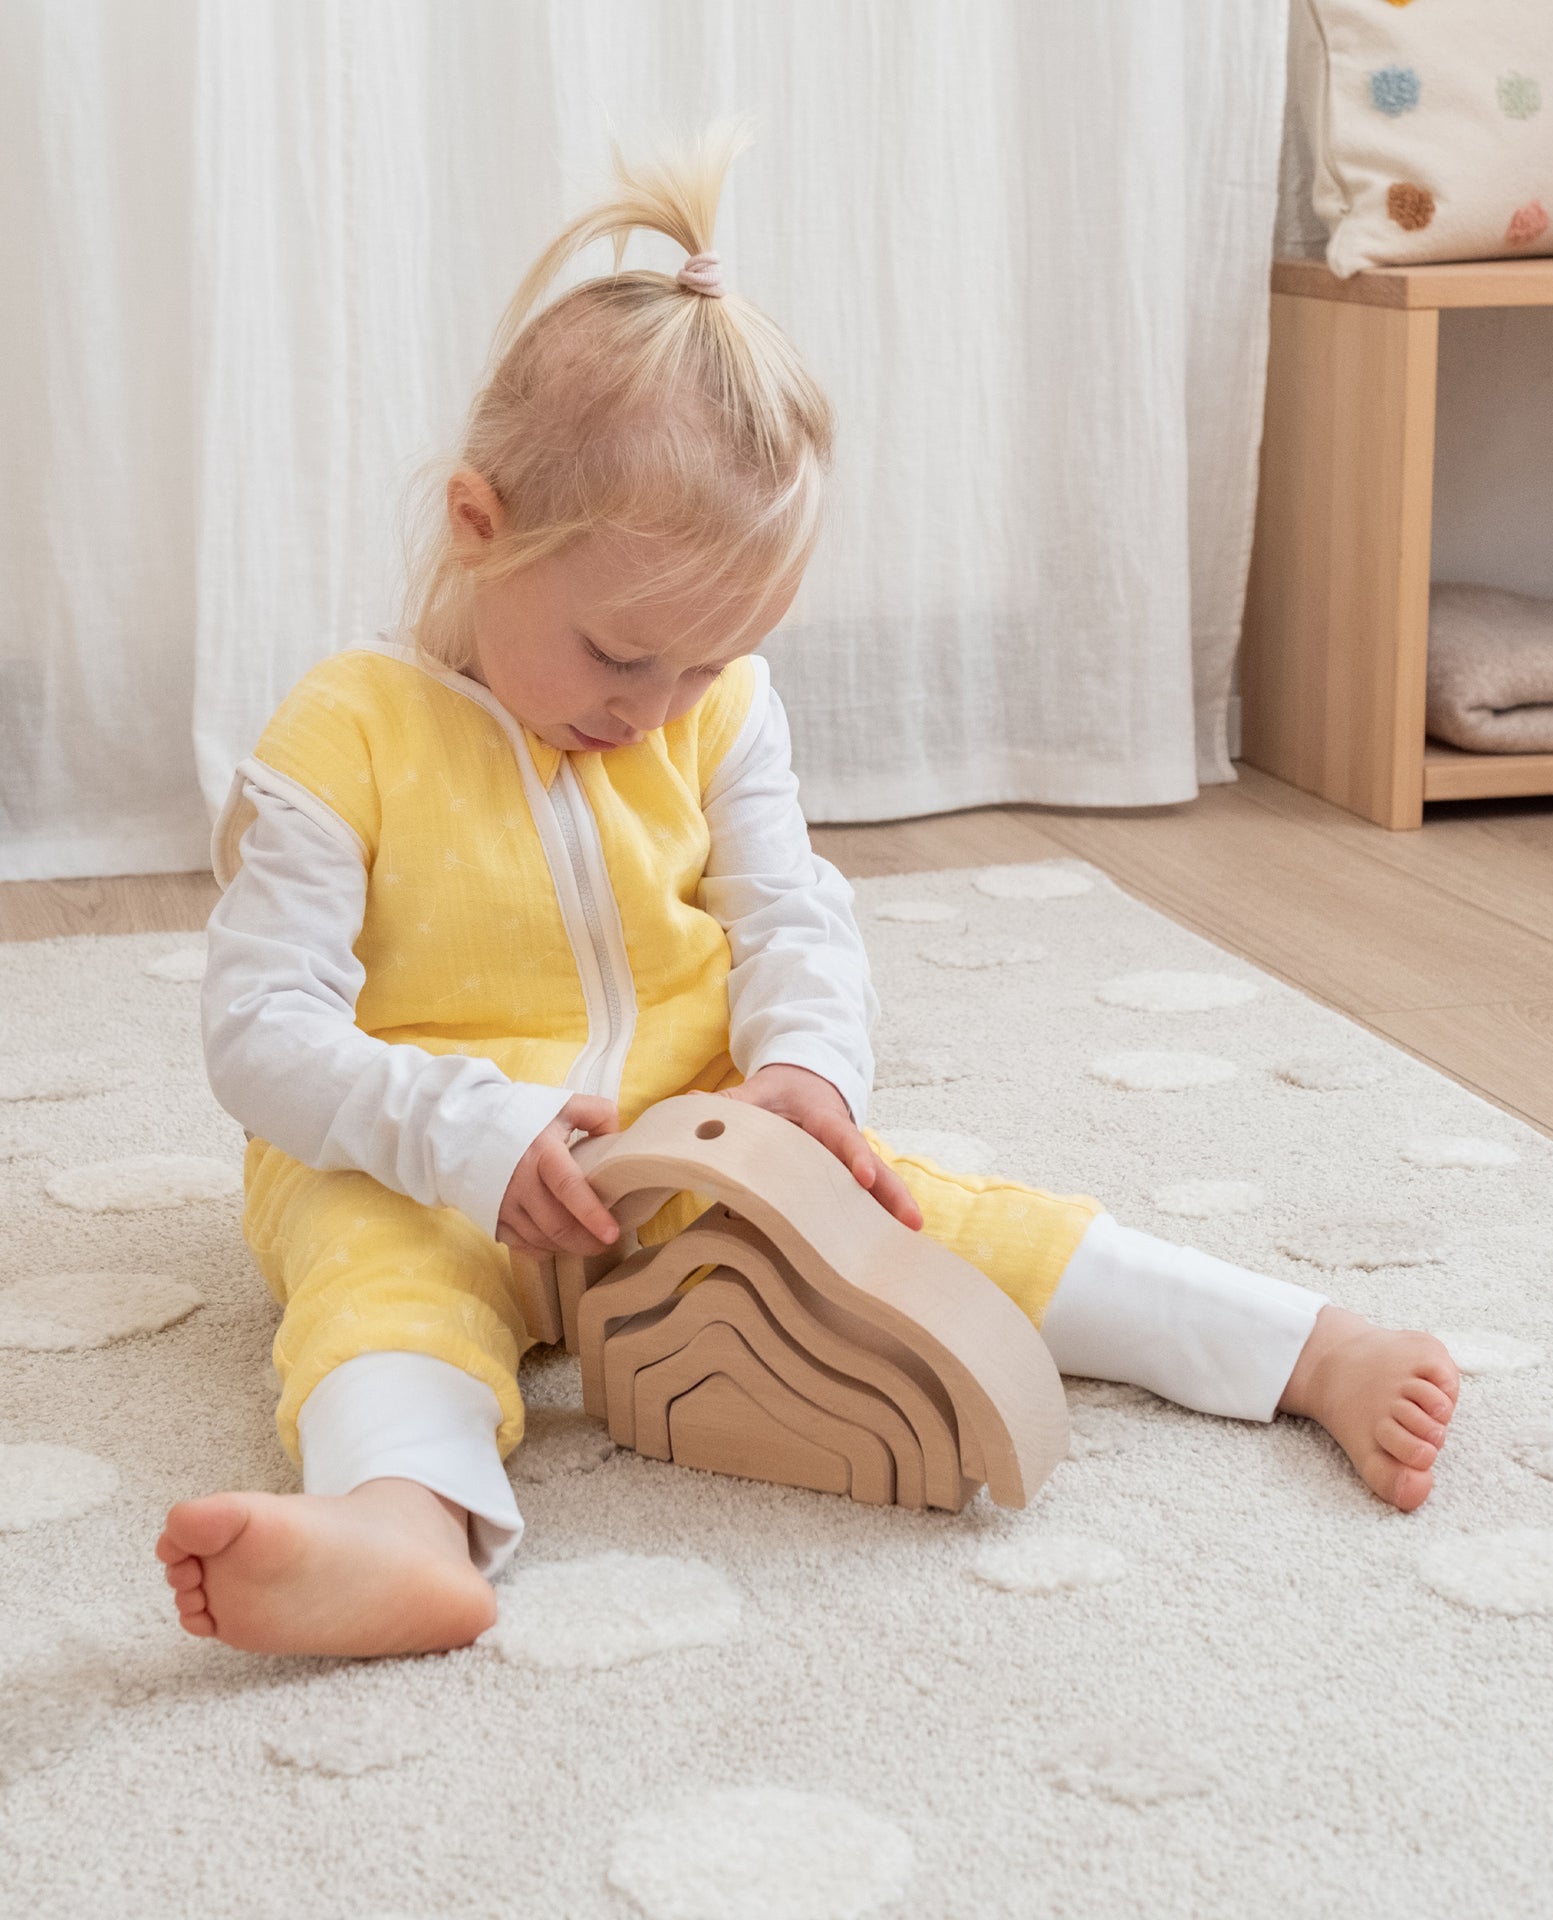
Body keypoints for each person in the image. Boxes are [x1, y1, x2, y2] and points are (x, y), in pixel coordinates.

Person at [156, 122, 1459, 1660]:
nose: (657, 704)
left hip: (690, 1137)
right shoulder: (346, 729)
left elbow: (792, 916)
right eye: (621, 654)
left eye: (705, 660)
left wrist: (802, 1076)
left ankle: (1307, 1348)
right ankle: (398, 1529)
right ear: (477, 526)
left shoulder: (718, 707)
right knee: (380, 1296)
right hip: (415, 1153)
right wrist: (463, 1132)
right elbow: (256, 1035)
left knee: (940, 1228)